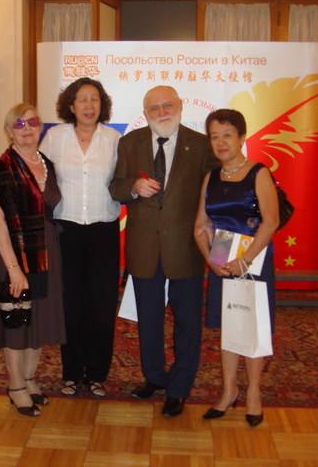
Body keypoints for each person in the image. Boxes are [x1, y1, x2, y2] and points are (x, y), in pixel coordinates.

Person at [109, 85, 219, 417]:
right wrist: (133, 187)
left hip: (186, 248)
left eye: (167, 105)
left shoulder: (201, 145)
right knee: (149, 320)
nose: (162, 112)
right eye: (154, 108)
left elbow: (215, 193)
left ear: (180, 106)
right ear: (146, 113)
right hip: (144, 249)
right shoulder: (130, 143)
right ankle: (154, 376)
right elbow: (115, 187)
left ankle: (179, 387)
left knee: (188, 322)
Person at [194, 108, 279, 427]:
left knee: (252, 325)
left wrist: (245, 259)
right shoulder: (211, 177)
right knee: (229, 326)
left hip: (254, 261)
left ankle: (254, 392)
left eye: (227, 135)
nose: (221, 142)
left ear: (242, 137)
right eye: (215, 136)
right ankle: (229, 391)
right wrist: (211, 260)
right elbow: (200, 226)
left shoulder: (259, 173)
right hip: (222, 261)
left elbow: (271, 221)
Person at [40, 77, 121, 398]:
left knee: (101, 305)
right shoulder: (55, 138)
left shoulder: (114, 139)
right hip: (66, 231)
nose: (89, 105)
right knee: (70, 304)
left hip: (104, 231)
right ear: (71, 105)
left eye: (94, 99)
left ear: (102, 105)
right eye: (82, 99)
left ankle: (97, 374)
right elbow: (39, 175)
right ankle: (71, 373)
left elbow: (123, 180)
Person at [0, 103, 66, 417]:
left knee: (39, 319)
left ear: (41, 126)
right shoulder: (3, 168)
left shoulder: (47, 163)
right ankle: (16, 385)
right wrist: (13, 269)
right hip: (14, 253)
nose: (27, 128)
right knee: (17, 321)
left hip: (46, 251)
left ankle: (31, 379)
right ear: (9, 131)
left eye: (32, 122)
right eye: (19, 124)